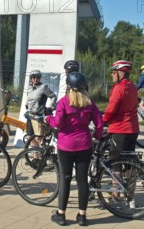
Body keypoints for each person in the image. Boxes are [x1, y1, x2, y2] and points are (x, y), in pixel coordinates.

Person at [45, 72, 103, 226]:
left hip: (66, 146)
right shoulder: (89, 103)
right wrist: (96, 137)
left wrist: (47, 118)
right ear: (84, 86)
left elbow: (57, 122)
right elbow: (99, 123)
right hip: (84, 145)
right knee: (82, 179)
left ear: (68, 87)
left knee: (65, 178)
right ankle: (82, 216)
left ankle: (61, 215)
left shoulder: (63, 102)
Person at [102, 60, 139, 158]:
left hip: (120, 129)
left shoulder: (119, 88)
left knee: (115, 162)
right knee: (129, 162)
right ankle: (131, 173)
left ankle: (117, 173)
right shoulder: (133, 86)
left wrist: (104, 120)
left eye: (114, 72)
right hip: (133, 129)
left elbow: (111, 109)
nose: (112, 75)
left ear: (121, 73)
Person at [25, 69, 57, 145]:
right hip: (30, 115)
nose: (36, 79)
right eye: (34, 77)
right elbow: (30, 99)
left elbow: (53, 96)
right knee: (29, 137)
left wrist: (50, 106)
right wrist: (27, 105)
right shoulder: (29, 87)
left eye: (38, 77)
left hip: (39, 116)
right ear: (31, 78)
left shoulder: (43, 87)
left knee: (38, 138)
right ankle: (36, 156)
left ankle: (41, 154)